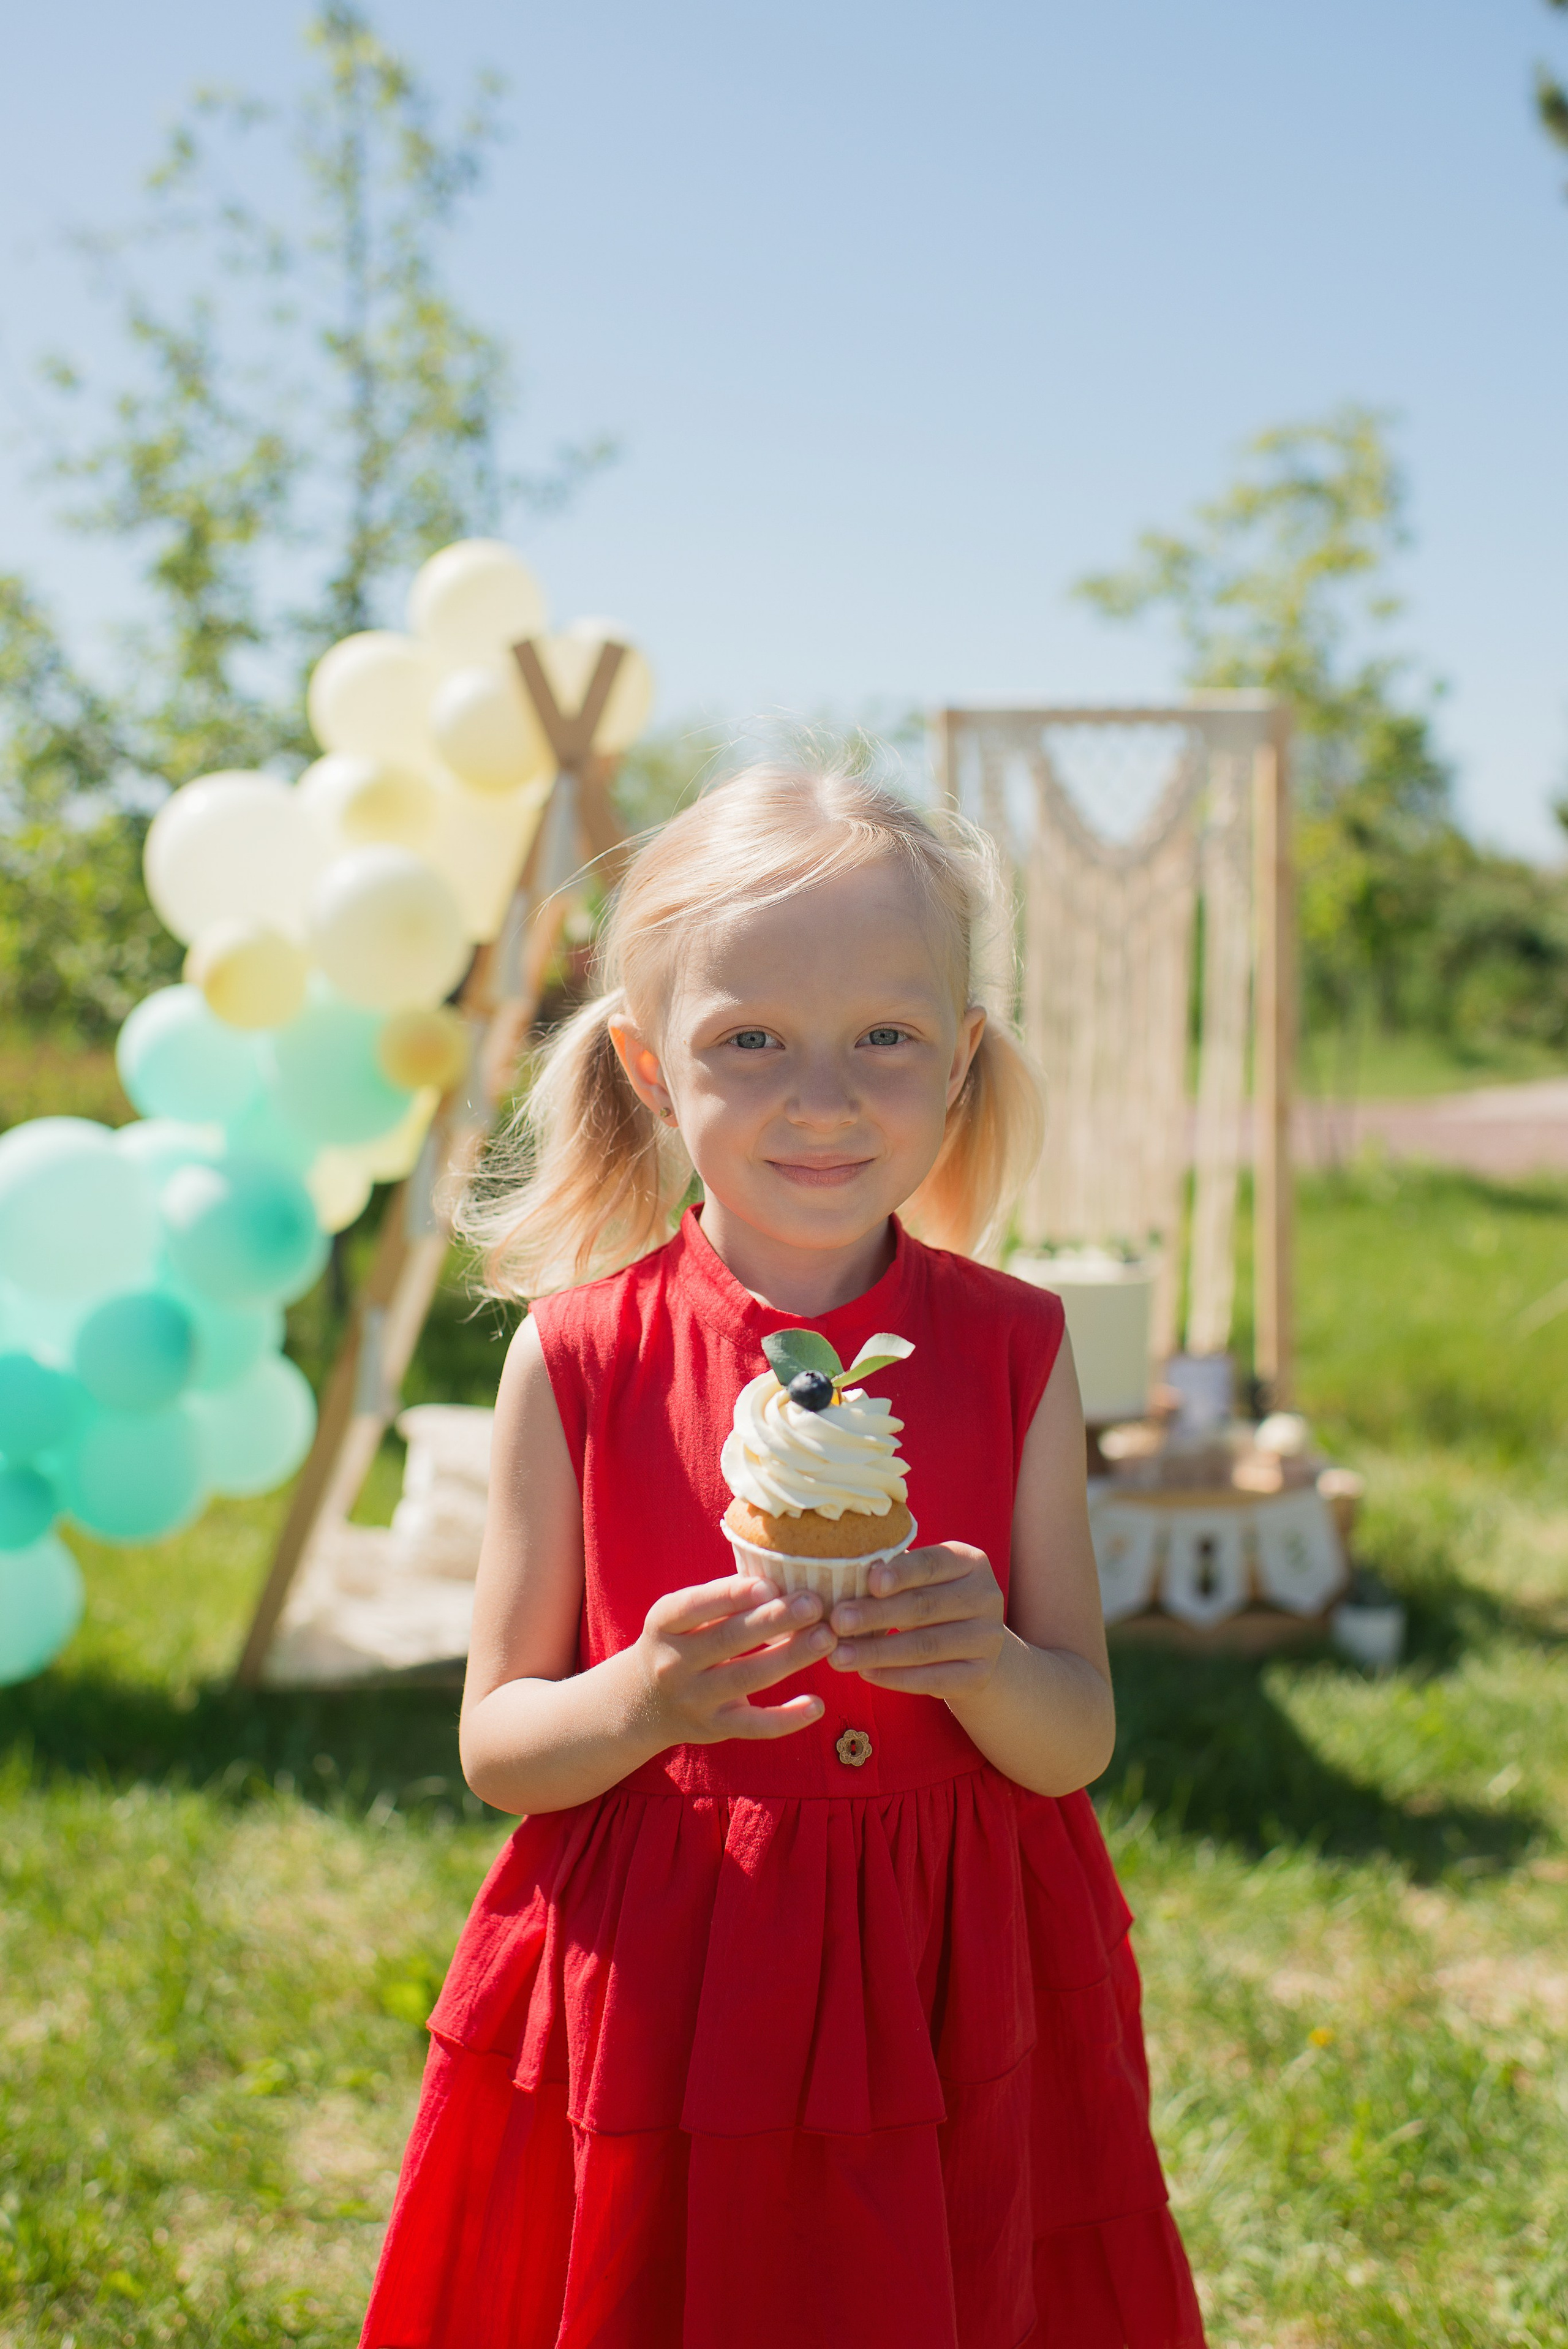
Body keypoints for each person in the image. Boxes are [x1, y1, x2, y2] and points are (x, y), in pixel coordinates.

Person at [360, 761, 1206, 2349]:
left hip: (959, 1961)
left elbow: (1076, 1729)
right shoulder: (582, 1359)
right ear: (652, 1068)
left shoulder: (1016, 1349)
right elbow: (501, 1746)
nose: (823, 1095)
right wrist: (643, 1697)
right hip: (681, 1969)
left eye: (885, 1036)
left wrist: (989, 1664)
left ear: (957, 1064)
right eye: (751, 1039)